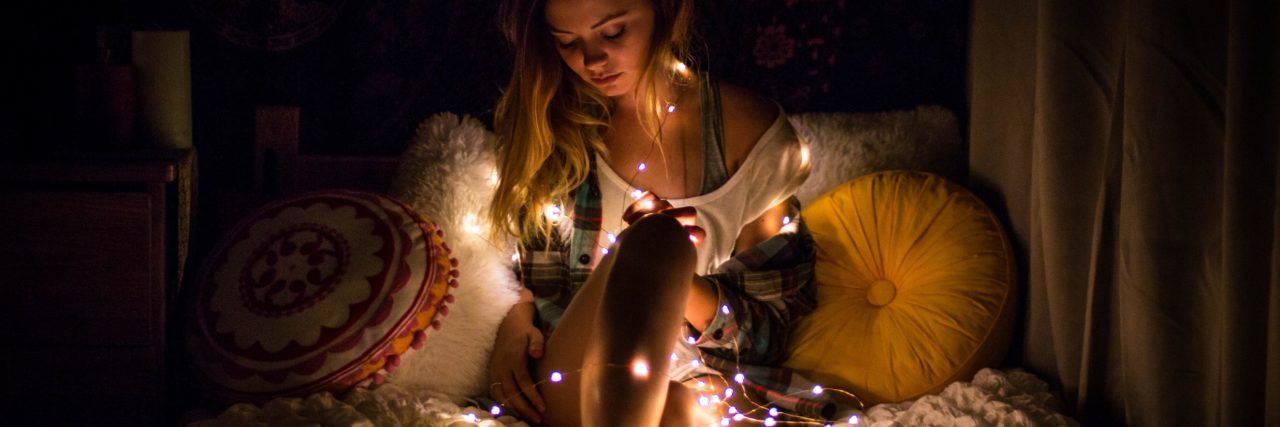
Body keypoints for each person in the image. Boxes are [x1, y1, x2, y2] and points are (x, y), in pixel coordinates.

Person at [486, 0, 829, 425]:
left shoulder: (754, 139)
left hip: (698, 389)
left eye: (612, 33)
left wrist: (671, 277)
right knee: (653, 239)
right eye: (567, 43)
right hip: (571, 376)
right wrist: (513, 320)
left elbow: (767, 336)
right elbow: (511, 260)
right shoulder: (551, 123)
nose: (591, 60)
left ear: (664, 12)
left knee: (658, 251)